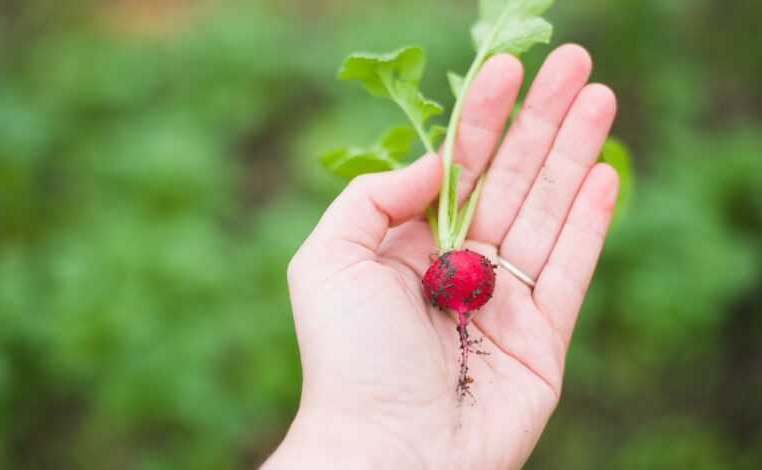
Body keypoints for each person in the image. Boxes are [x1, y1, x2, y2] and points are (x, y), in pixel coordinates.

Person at [263, 44, 618, 469]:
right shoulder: (456, 275)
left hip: (458, 271)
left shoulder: (459, 276)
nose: (462, 325)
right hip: (456, 270)